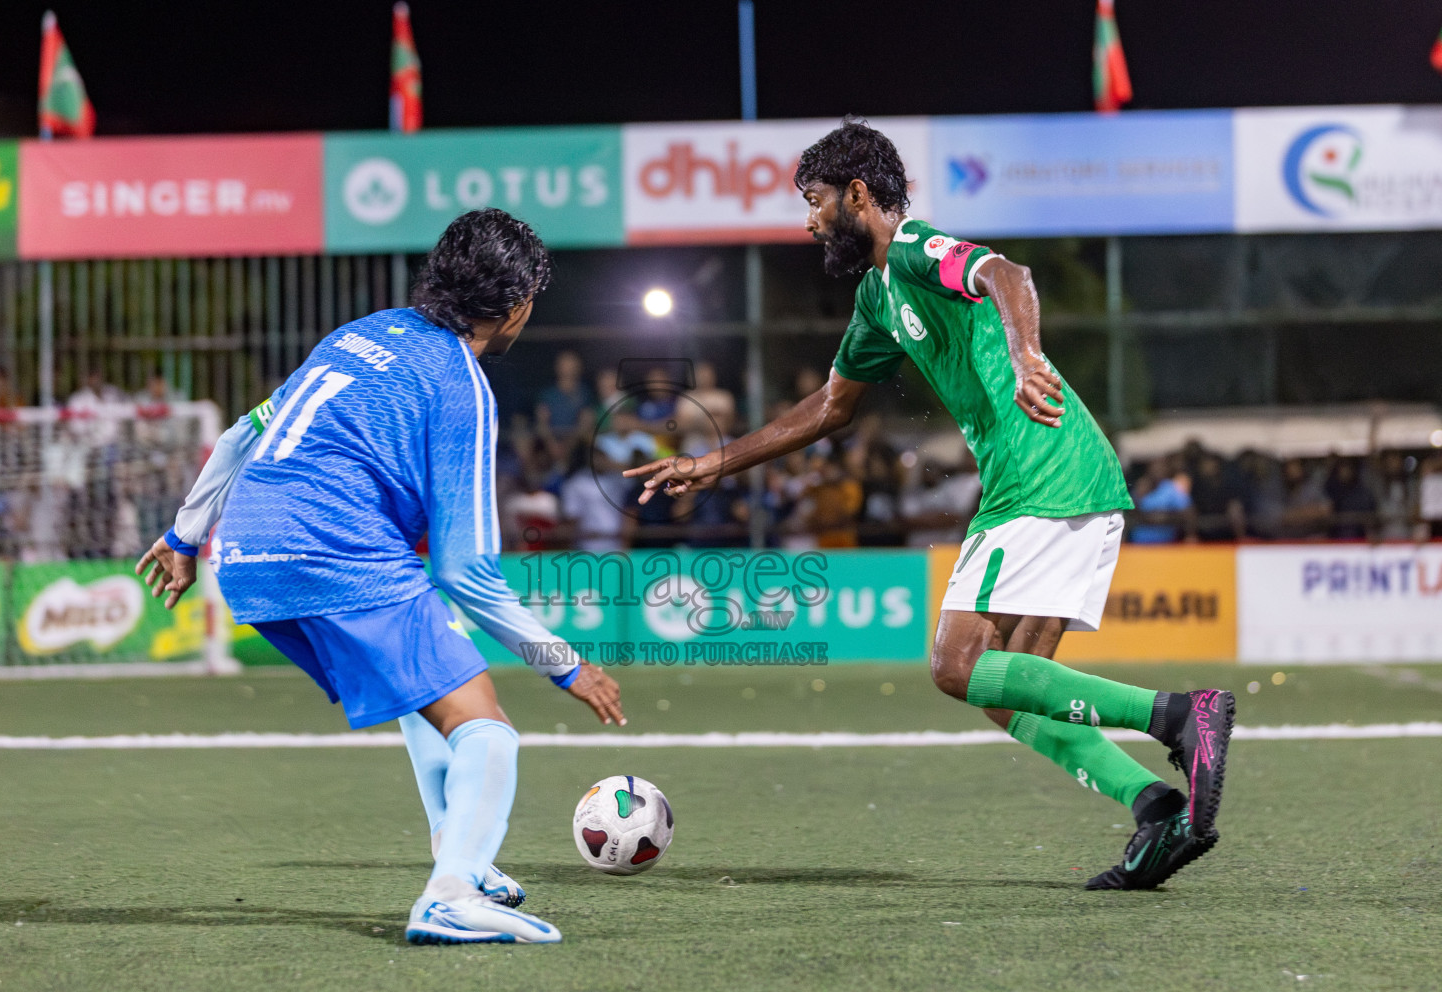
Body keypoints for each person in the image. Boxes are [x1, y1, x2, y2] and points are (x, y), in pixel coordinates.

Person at [625, 118, 1233, 891]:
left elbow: (1008, 275)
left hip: (1038, 474)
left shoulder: (912, 250)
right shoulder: (877, 298)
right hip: (1074, 476)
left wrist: (1023, 354)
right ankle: (1152, 806)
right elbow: (829, 409)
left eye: (815, 202)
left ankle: (1179, 715)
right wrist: (716, 462)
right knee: (1004, 688)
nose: (809, 221)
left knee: (956, 667)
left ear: (857, 194)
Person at [135, 209, 626, 945]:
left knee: (422, 687)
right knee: (487, 728)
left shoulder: (358, 335)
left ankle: (457, 853)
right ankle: (451, 894)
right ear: (518, 303)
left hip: (247, 556)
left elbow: (244, 431)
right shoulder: (462, 386)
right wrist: (563, 663)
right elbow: (466, 571)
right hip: (337, 549)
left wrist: (183, 535)